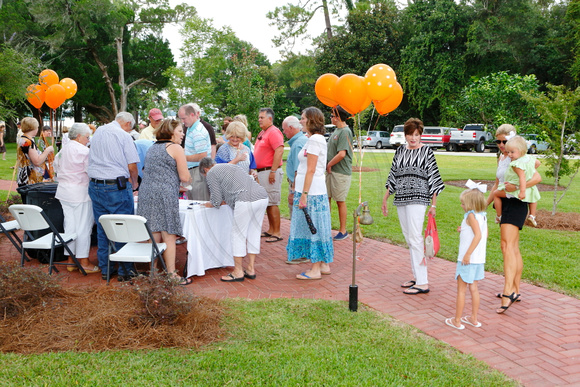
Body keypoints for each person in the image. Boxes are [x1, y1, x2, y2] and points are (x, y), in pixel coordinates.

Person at [381, 118, 445, 295]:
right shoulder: (400, 150)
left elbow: (434, 178)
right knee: (409, 237)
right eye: (410, 134)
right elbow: (393, 175)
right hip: (401, 197)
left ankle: (423, 282)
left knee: (416, 237)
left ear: (421, 135)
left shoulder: (426, 152)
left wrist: (434, 205)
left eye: (416, 135)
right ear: (405, 135)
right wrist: (385, 198)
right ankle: (417, 276)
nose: (413, 138)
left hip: (419, 198)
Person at [485, 124, 542, 313]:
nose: (501, 145)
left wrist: (516, 188)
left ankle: (507, 291)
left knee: (507, 247)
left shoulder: (520, 156)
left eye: (504, 141)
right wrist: (484, 205)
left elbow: (537, 178)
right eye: (498, 141)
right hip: (505, 201)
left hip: (517, 202)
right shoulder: (504, 157)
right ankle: (516, 290)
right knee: (510, 247)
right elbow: (497, 184)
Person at [137, 118, 191, 285]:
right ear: (171, 131)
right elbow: (184, 177)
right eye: (180, 131)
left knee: (152, 233)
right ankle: (171, 274)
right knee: (169, 233)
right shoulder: (175, 148)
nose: (182, 134)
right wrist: (186, 180)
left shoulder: (152, 148)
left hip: (147, 193)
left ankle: (152, 272)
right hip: (165, 194)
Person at [88, 112, 140, 281]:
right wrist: (134, 183)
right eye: (130, 127)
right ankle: (126, 270)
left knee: (103, 227)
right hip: (116, 186)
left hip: (95, 185)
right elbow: (132, 165)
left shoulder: (98, 132)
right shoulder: (123, 136)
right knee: (122, 227)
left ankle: (106, 268)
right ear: (127, 123)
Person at [200, 157, 269, 282]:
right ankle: (250, 268)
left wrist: (208, 204)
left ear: (206, 169)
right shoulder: (231, 166)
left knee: (238, 234)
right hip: (262, 196)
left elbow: (216, 200)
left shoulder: (211, 173)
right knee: (254, 232)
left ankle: (238, 271)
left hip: (245, 200)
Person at [287, 107, 334, 280]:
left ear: (311, 120)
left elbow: (311, 169)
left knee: (312, 227)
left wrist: (304, 194)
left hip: (311, 192)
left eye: (303, 118)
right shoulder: (313, 139)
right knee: (317, 226)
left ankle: (315, 269)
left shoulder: (315, 140)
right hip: (313, 190)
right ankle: (323, 264)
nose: (300, 121)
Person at [54, 123, 99, 274]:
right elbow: (91, 172)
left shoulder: (62, 150)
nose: (88, 140)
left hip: (64, 192)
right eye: (87, 137)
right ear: (79, 136)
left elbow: (55, 168)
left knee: (70, 226)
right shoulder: (84, 151)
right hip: (80, 192)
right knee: (83, 227)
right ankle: (84, 261)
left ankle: (71, 260)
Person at [445, 183, 488, 330]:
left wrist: (467, 254)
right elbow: (474, 231)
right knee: (474, 288)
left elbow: (478, 235)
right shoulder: (482, 216)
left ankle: (457, 320)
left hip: (467, 260)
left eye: (463, 203)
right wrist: (462, 229)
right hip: (478, 260)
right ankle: (473, 318)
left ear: (470, 204)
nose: (461, 206)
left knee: (461, 290)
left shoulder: (470, 215)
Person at [492, 135, 541, 226]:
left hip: (515, 190)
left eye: (512, 152)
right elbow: (538, 163)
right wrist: (529, 171)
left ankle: (499, 215)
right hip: (529, 188)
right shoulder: (529, 159)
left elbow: (522, 177)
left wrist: (521, 191)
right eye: (508, 152)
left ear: (521, 150)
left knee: (496, 193)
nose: (509, 154)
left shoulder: (516, 164)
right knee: (533, 198)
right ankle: (532, 215)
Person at [254, 108, 284, 243]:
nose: (259, 119)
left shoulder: (274, 132)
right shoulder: (263, 132)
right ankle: (271, 229)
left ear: (270, 119)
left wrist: (273, 171)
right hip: (262, 172)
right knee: (267, 202)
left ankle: (277, 232)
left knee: (272, 202)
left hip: (269, 172)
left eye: (262, 117)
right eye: (259, 117)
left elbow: (279, 150)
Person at [326, 105, 353, 241]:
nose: (330, 118)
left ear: (337, 117)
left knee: (340, 201)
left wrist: (329, 164)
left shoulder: (345, 132)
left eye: (331, 116)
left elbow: (342, 154)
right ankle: (325, 228)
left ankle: (343, 231)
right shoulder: (337, 131)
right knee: (327, 199)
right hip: (331, 172)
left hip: (340, 172)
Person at [178, 103, 211, 201]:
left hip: (198, 171)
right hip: (194, 170)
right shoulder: (191, 128)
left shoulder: (198, 132)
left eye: (184, 118)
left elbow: (202, 156)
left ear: (192, 115)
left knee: (199, 203)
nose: (182, 121)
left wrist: (182, 157)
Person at [282, 115, 307, 219]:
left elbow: (298, 170)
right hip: (303, 185)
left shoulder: (297, 144)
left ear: (291, 128)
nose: (284, 132)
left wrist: (293, 191)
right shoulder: (302, 140)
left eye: (284, 129)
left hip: (298, 186)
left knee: (296, 216)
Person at [16, 117, 54, 187]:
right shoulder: (28, 142)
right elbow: (36, 161)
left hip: (24, 177)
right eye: (37, 127)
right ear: (33, 127)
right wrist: (47, 150)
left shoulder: (23, 139)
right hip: (30, 179)